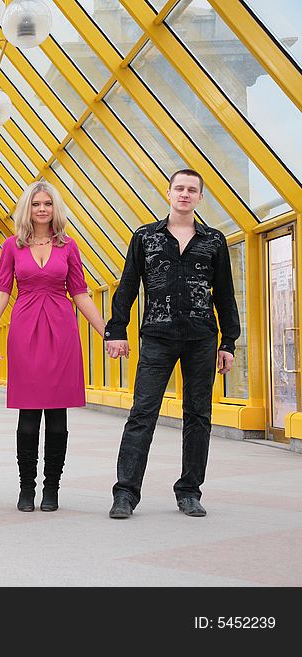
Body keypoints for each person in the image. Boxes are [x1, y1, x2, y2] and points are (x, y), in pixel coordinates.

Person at [105, 169, 240, 519]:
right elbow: (128, 285)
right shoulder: (146, 237)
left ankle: (189, 492)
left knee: (199, 416)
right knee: (142, 414)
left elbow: (225, 294)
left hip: (201, 338)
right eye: (179, 188)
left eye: (191, 190)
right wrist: (116, 329)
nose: (184, 194)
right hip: (157, 337)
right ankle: (125, 494)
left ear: (199, 197)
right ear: (168, 193)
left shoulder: (214, 241)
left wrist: (229, 342)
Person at [0, 181, 105, 512]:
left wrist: (107, 331)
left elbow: (80, 293)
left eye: (47, 204)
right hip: (24, 330)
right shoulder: (12, 246)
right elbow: (3, 292)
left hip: (61, 331)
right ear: (27, 208)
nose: (41, 209)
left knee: (58, 417)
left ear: (55, 208)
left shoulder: (69, 247)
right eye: (36, 204)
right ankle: (26, 488)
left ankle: (52, 489)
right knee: (28, 415)